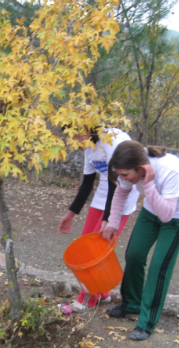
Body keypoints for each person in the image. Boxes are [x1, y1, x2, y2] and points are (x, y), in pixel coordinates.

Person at [102, 140, 179, 341]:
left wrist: (149, 184)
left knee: (158, 267)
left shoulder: (170, 170)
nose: (123, 178)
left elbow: (166, 215)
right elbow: (121, 193)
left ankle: (147, 322)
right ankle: (131, 305)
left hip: (176, 218)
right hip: (150, 211)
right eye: (120, 174)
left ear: (140, 168)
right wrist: (112, 223)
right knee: (134, 254)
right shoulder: (132, 164)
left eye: (125, 175)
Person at [58, 126, 139, 312]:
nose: (71, 142)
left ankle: (87, 299)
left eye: (73, 136)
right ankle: (102, 293)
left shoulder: (111, 140)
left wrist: (108, 218)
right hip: (103, 194)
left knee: (96, 250)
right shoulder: (89, 146)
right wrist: (70, 214)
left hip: (121, 194)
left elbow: (116, 180)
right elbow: (87, 183)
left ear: (86, 129)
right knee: (85, 245)